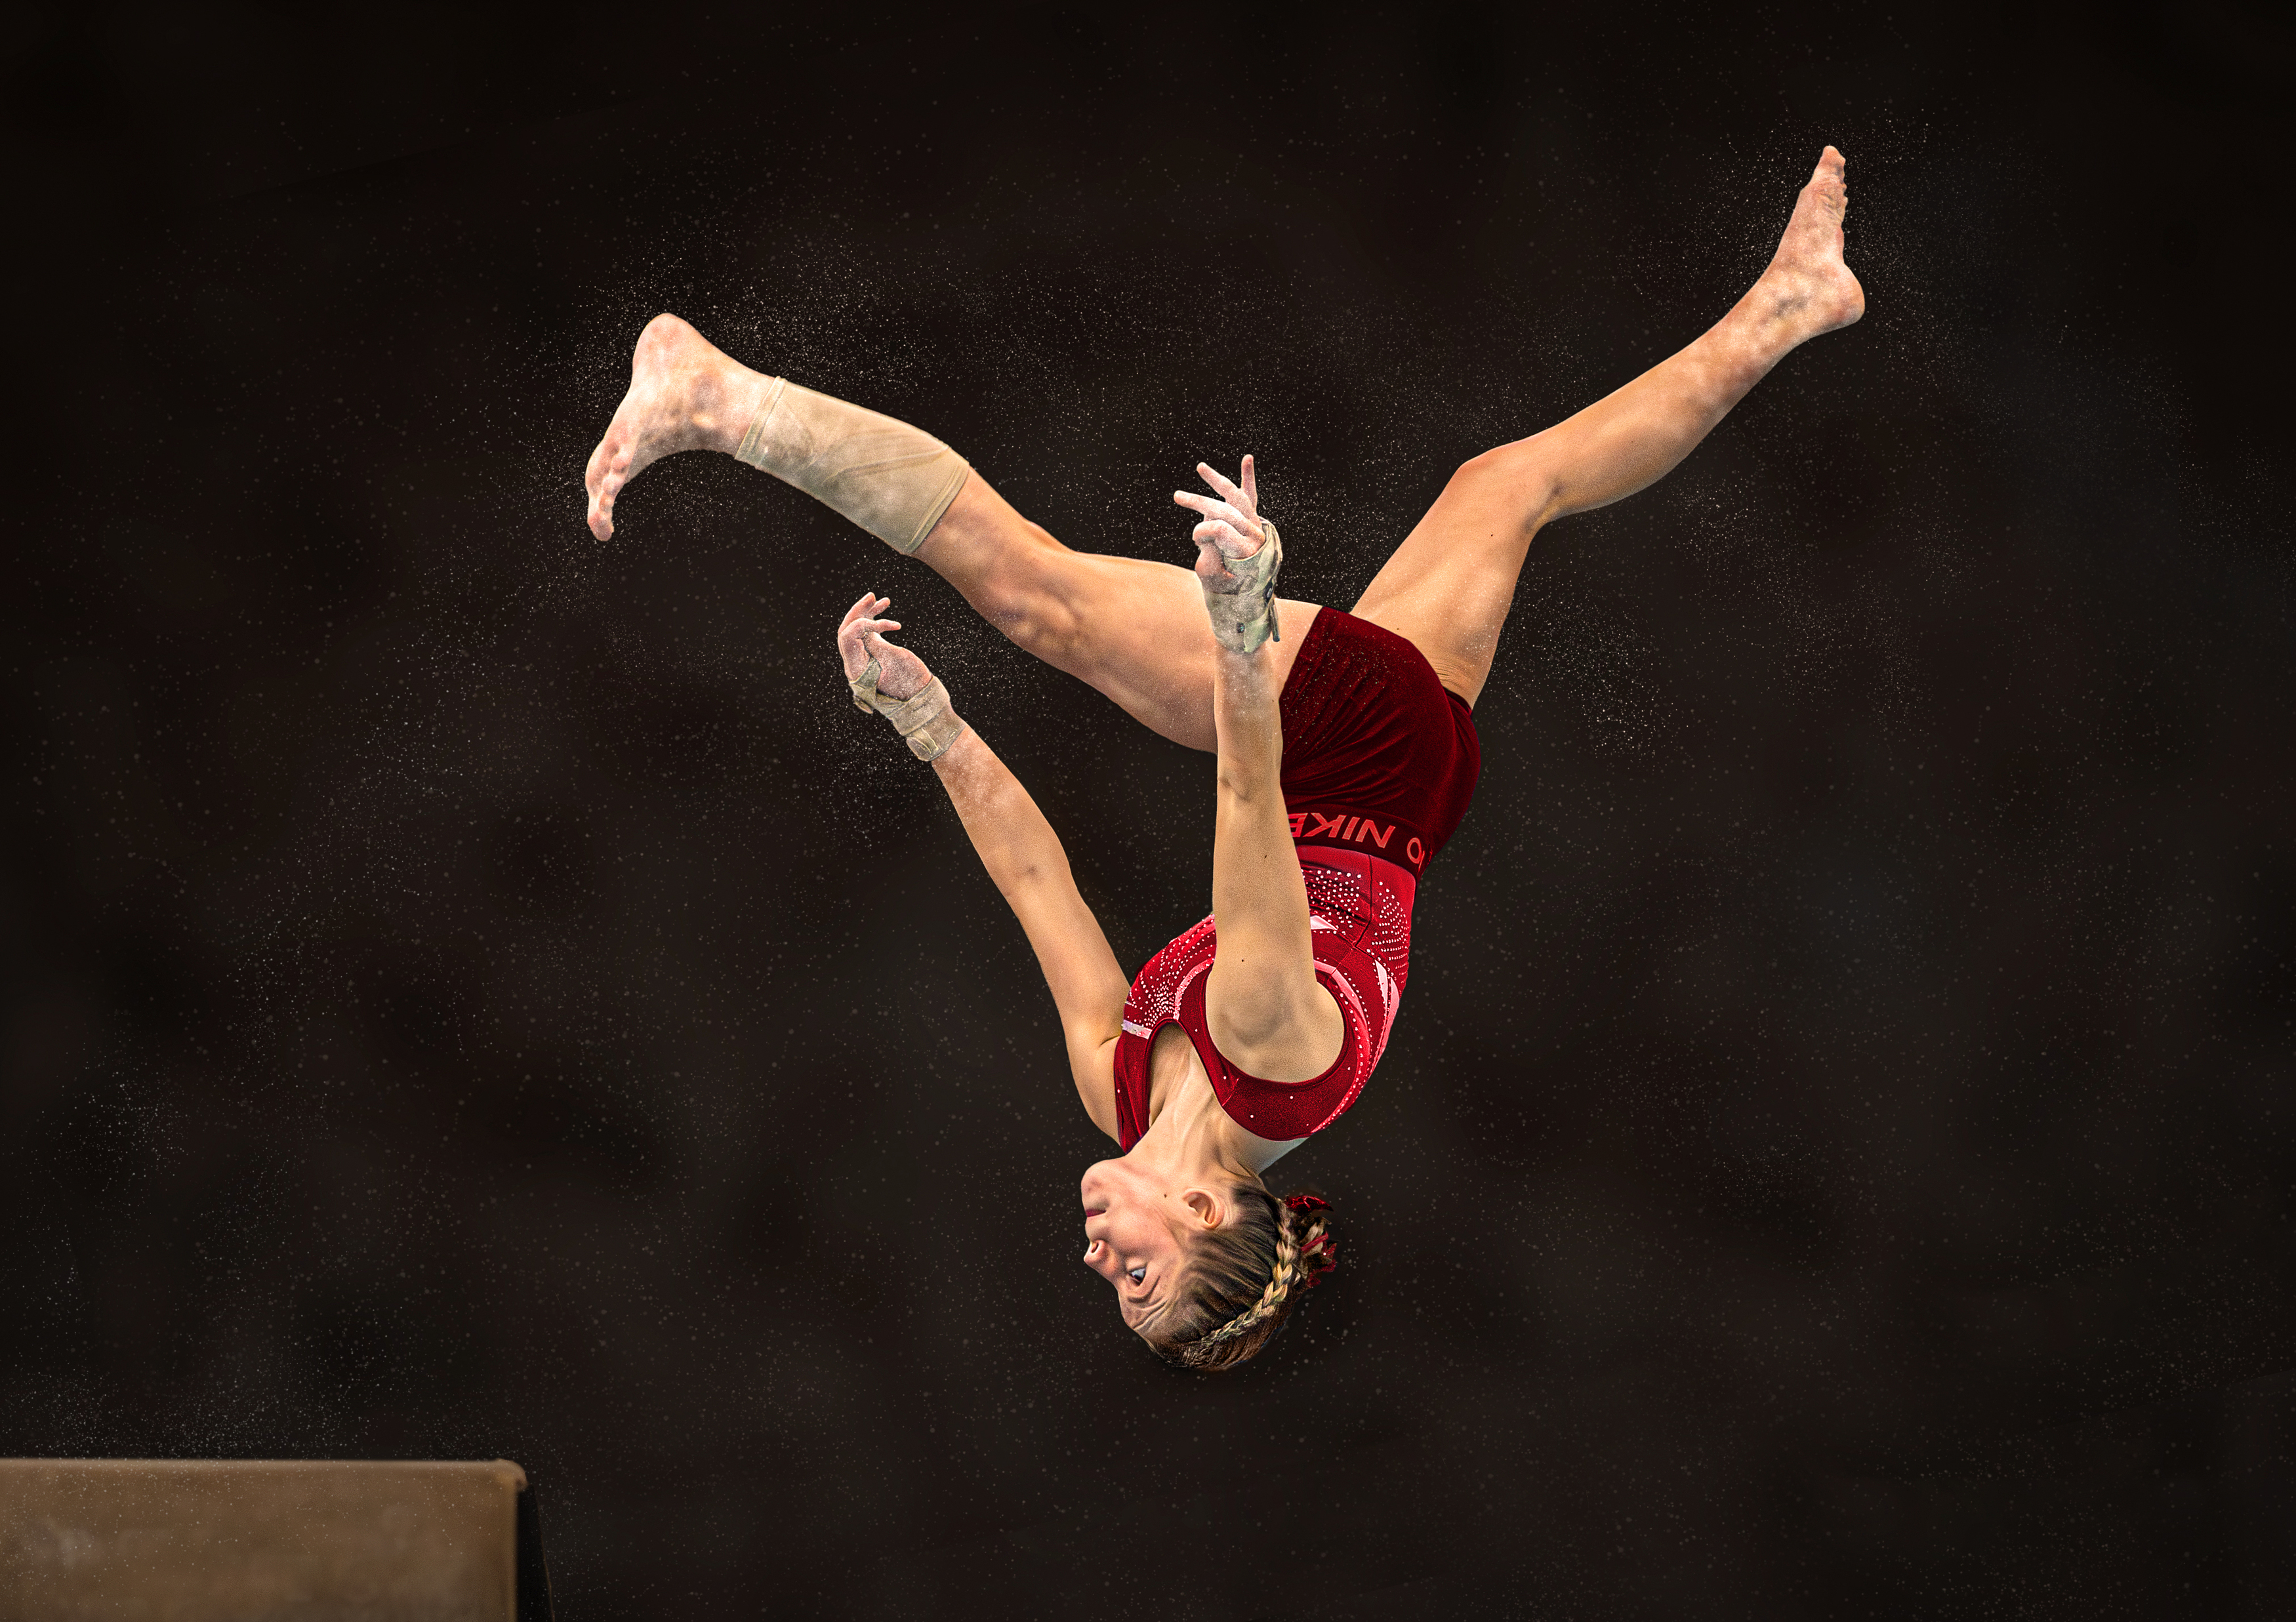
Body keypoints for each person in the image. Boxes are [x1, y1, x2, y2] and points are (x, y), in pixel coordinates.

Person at [583, 149, 1866, 1370]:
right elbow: (1245, 797)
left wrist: (927, 722)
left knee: (1506, 485)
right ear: (1203, 1213)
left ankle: (1792, 303)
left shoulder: (1120, 1091)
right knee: (1045, 604)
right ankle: (724, 403)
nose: (1096, 1263)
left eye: (1111, 1293)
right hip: (1345, 767)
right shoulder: (1274, 1050)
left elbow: (1038, 882)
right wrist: (1243, 620)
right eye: (1136, 1280)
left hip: (1388, 790)